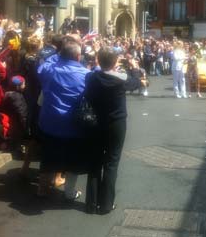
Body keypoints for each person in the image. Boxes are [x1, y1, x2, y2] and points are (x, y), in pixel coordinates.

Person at [37, 37, 90, 199]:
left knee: (48, 157)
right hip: (74, 125)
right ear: (78, 57)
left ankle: (42, 189)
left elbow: (43, 64)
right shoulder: (87, 75)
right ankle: (69, 192)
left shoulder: (49, 70)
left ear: (61, 55)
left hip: (50, 122)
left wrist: (58, 54)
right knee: (73, 160)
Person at [85, 47, 134, 214]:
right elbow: (136, 81)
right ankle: (106, 205)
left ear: (98, 60)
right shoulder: (121, 80)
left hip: (95, 122)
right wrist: (133, 66)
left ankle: (91, 203)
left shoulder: (91, 77)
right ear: (114, 62)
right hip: (116, 123)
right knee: (111, 163)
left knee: (95, 162)